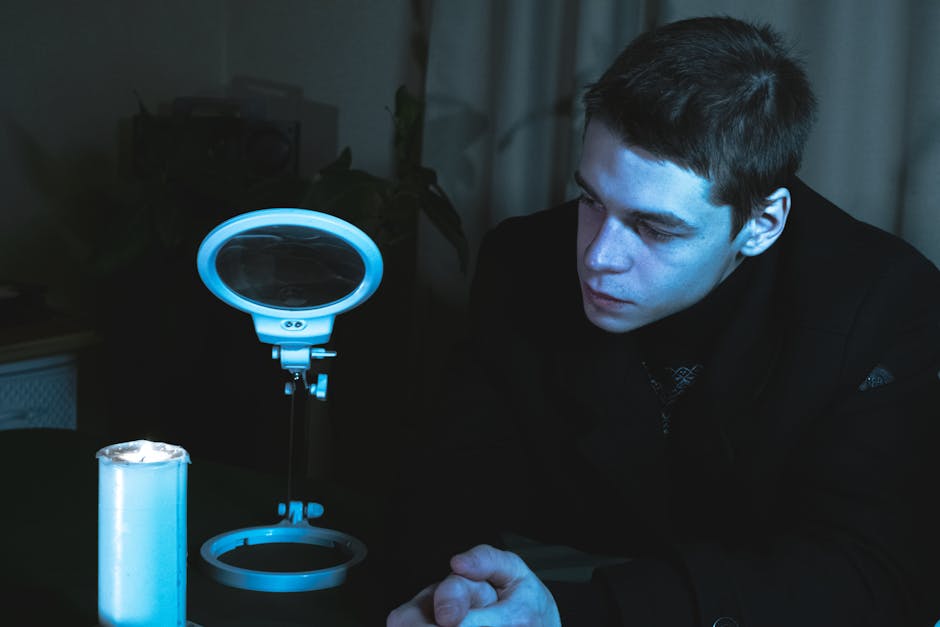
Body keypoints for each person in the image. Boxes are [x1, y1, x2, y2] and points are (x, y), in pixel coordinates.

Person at [381, 15, 940, 627]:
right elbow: (450, 484)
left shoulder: (884, 304)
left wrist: (578, 616)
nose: (598, 258)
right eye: (592, 200)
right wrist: (451, 596)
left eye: (654, 227)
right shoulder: (521, 261)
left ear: (763, 223)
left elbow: (873, 571)